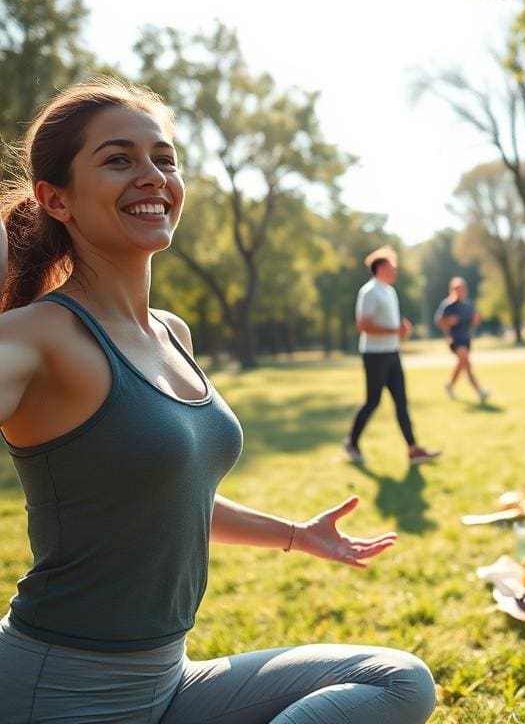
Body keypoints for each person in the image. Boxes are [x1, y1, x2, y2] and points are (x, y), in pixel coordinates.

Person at [0, 79, 435, 724]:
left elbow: (165, 496)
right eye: (118, 159)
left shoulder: (171, 332)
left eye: (164, 159)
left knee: (398, 681)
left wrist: (296, 536)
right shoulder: (36, 338)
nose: (152, 176)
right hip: (60, 688)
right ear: (54, 199)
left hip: (169, 678)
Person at [343, 245, 441, 467]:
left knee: (401, 402)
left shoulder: (390, 291)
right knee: (372, 402)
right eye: (392, 266)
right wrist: (395, 330)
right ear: (380, 268)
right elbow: (363, 325)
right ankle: (351, 442)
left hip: (392, 353)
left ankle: (413, 450)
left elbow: (389, 325)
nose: (395, 270)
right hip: (374, 355)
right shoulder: (369, 291)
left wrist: (400, 330)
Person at [434, 276, 490, 402]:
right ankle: (479, 391)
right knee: (466, 362)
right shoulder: (448, 305)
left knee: (462, 364)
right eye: (457, 289)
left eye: (462, 289)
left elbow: (475, 321)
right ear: (452, 290)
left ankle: (449, 385)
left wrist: (477, 319)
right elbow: (438, 322)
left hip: (466, 338)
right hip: (454, 338)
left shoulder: (468, 305)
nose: (460, 291)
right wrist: (448, 321)